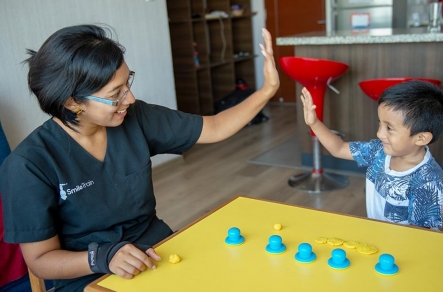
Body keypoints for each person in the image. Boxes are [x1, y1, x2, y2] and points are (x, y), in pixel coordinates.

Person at [0, 24, 279, 291]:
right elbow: (40, 262)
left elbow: (215, 127)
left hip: (157, 249)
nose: (130, 98)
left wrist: (268, 89)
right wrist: (102, 258)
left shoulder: (136, 118)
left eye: (127, 83)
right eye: (115, 94)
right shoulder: (28, 165)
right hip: (88, 274)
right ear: (72, 102)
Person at [300, 80, 443, 228]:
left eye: (389, 128)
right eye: (380, 124)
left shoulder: (428, 180)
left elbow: (421, 235)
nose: (379, 134)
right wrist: (314, 123)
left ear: (421, 138)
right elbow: (339, 148)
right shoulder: (379, 151)